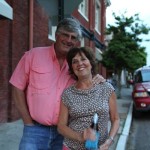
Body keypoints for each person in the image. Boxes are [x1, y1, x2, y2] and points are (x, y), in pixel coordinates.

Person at [9, 18, 105, 150]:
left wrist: (98, 78)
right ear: (56, 35)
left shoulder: (77, 66)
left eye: (73, 37)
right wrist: (27, 122)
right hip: (35, 131)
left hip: (65, 133)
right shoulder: (33, 56)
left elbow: (89, 85)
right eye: (65, 35)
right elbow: (16, 87)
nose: (69, 40)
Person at [57, 47, 120, 150]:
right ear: (72, 68)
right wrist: (80, 137)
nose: (79, 63)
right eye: (75, 62)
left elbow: (115, 119)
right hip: (72, 147)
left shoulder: (106, 88)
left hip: (100, 148)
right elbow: (61, 126)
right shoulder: (68, 93)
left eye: (83, 59)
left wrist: (109, 141)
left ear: (91, 63)